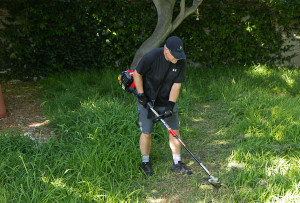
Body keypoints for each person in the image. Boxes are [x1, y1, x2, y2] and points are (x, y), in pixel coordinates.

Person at [133, 36, 192, 176]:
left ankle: (177, 163)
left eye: (179, 55)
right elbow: (137, 74)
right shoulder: (152, 56)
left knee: (174, 131)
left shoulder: (180, 62)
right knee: (147, 132)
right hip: (147, 101)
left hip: (166, 100)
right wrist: (141, 95)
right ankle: (145, 162)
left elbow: (176, 85)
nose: (177, 58)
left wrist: (170, 105)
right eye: (174, 55)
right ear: (166, 50)